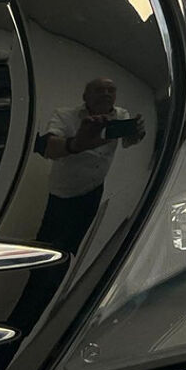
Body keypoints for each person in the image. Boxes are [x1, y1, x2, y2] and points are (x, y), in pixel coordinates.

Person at [37, 77, 145, 253]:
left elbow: (128, 141)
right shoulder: (64, 115)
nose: (106, 94)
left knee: (77, 241)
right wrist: (76, 144)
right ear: (85, 96)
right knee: (48, 241)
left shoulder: (121, 114)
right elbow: (48, 148)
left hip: (94, 189)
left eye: (111, 90)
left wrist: (137, 133)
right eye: (99, 90)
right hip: (63, 192)